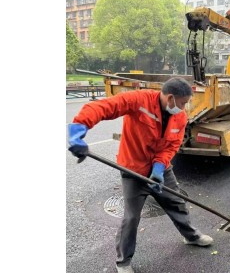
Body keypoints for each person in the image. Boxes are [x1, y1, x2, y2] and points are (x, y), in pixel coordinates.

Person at [67, 77, 213, 273]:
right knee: (131, 218)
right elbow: (104, 107)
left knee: (176, 203)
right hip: (133, 169)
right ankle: (123, 262)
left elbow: (172, 145)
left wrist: (159, 168)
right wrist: (80, 127)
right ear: (170, 98)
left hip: (161, 170)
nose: (184, 107)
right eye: (183, 102)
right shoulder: (139, 100)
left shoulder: (180, 117)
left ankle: (191, 236)